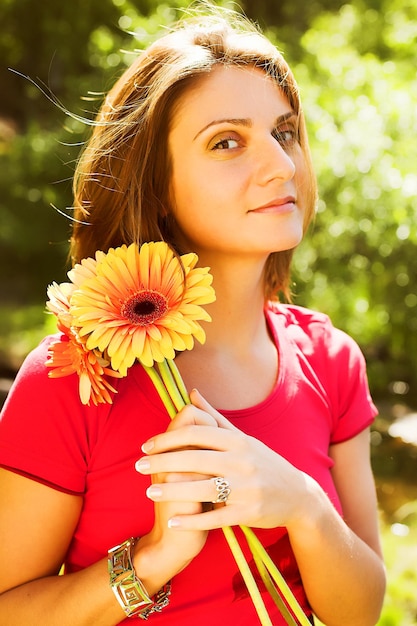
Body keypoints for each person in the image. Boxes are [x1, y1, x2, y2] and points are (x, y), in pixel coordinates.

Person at [0, 5, 385, 625]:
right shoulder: (76, 376)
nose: (281, 166)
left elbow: (360, 611)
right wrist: (153, 558)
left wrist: (303, 505)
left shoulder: (333, 362)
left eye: (284, 133)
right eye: (227, 142)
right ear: (156, 186)